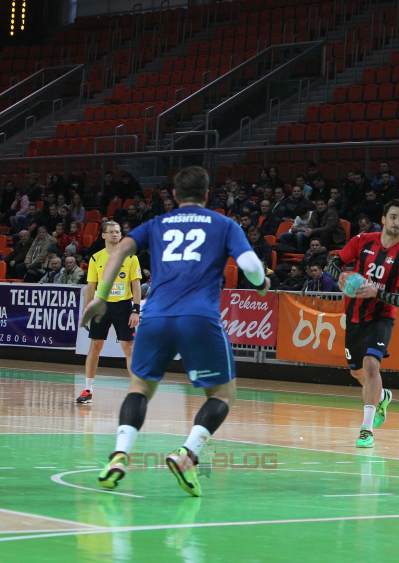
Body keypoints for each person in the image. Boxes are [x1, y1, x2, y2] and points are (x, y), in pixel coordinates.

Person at [81, 166, 270, 496]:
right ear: (207, 194)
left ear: (174, 194)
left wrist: (100, 296)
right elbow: (251, 267)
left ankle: (119, 454)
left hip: (155, 317)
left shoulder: (157, 223)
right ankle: (187, 454)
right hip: (198, 317)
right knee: (222, 394)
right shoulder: (224, 224)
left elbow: (121, 250)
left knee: (140, 387)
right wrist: (262, 283)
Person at [325, 199, 399, 448]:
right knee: (358, 372)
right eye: (393, 217)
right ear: (384, 219)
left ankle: (366, 430)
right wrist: (341, 277)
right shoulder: (362, 241)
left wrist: (376, 293)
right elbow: (332, 264)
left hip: (381, 318)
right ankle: (382, 395)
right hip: (354, 316)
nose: (397, 222)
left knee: (371, 365)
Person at [76, 221, 142, 405]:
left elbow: (136, 285)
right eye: (111, 232)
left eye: (118, 232)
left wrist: (136, 310)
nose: (115, 234)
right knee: (95, 346)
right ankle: (88, 389)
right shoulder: (96, 258)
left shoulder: (130, 257)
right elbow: (91, 286)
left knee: (128, 348)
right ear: (103, 235)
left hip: (123, 306)